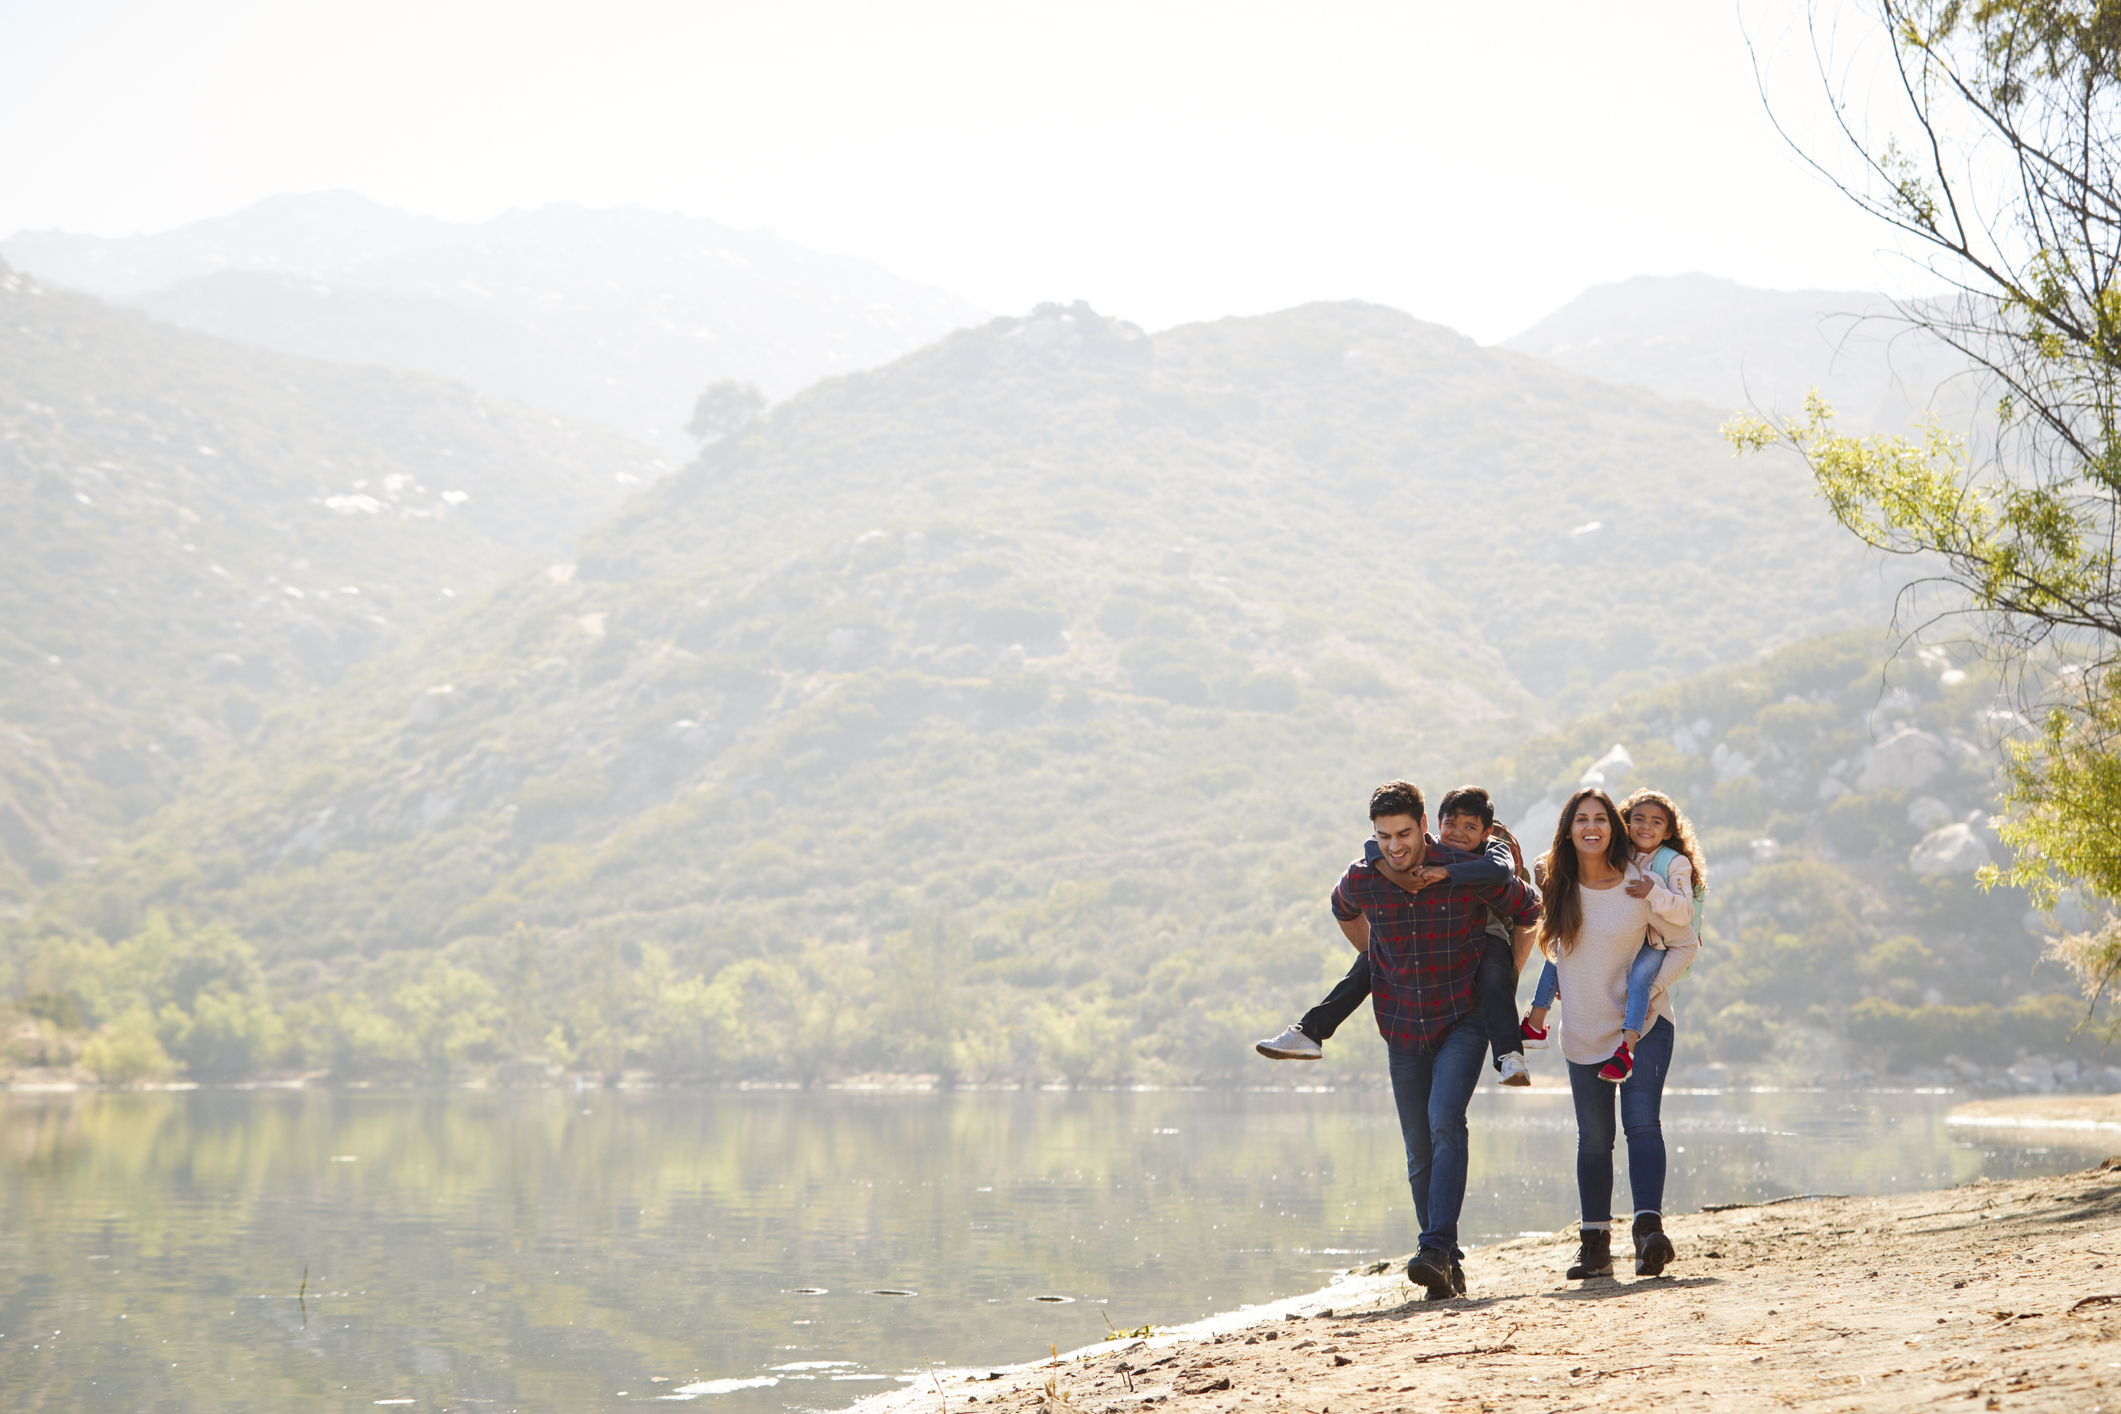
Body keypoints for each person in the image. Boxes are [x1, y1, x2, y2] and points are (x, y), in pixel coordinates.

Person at [1325, 780, 1543, 1300]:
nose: (1395, 846)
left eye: (1404, 833)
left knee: (1446, 1120)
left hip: (1461, 1019)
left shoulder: (1461, 867)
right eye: (1383, 836)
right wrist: (1376, 956)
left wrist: (1508, 968)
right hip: (1401, 1025)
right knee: (1418, 1151)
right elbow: (1341, 907)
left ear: (1424, 828)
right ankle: (1446, 1261)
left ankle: (1435, 1248)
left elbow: (1528, 906)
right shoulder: (1365, 877)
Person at [1256, 787, 1537, 1087]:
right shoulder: (1422, 852)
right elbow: (1371, 846)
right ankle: (1309, 1032)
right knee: (1370, 963)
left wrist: (1447, 874)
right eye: (1451, 825)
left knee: (1496, 977)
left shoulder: (1493, 847)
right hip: (1437, 951)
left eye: (1470, 827)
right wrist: (1394, 877)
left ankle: (1510, 1055)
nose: (1458, 833)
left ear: (1486, 832)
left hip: (1488, 928)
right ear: (1435, 825)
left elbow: (1503, 872)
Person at [1537, 787, 1697, 1281]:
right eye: (1581, 818)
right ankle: (1595, 1246)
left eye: (1601, 818)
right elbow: (1551, 954)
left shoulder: (1640, 884)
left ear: (1615, 828)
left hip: (1644, 1026)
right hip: (1583, 1031)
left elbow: (1685, 943)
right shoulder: (1560, 889)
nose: (1592, 826)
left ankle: (1649, 1234)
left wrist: (1651, 991)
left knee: (1641, 1122)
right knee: (1594, 1139)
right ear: (1569, 830)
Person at [1521, 789, 1704, 1081]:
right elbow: (1547, 859)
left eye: (1656, 822)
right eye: (1639, 819)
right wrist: (1549, 878)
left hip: (1655, 942)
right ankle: (1535, 1022)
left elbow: (1684, 917)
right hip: (1625, 953)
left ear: (1669, 831)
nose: (1646, 826)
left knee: (1639, 982)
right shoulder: (1624, 852)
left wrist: (1653, 892)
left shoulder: (1673, 862)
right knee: (1556, 950)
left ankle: (1627, 1048)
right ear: (1626, 824)